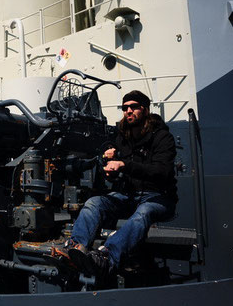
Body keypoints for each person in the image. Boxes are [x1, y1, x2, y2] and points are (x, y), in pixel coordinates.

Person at [64, 90, 177, 280]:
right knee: (94, 203)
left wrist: (125, 165)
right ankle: (76, 249)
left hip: (158, 197)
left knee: (143, 214)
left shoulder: (163, 138)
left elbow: (161, 171)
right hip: (128, 195)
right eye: (125, 108)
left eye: (134, 107)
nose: (129, 111)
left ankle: (107, 256)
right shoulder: (122, 137)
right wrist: (109, 167)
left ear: (146, 109)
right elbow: (116, 174)